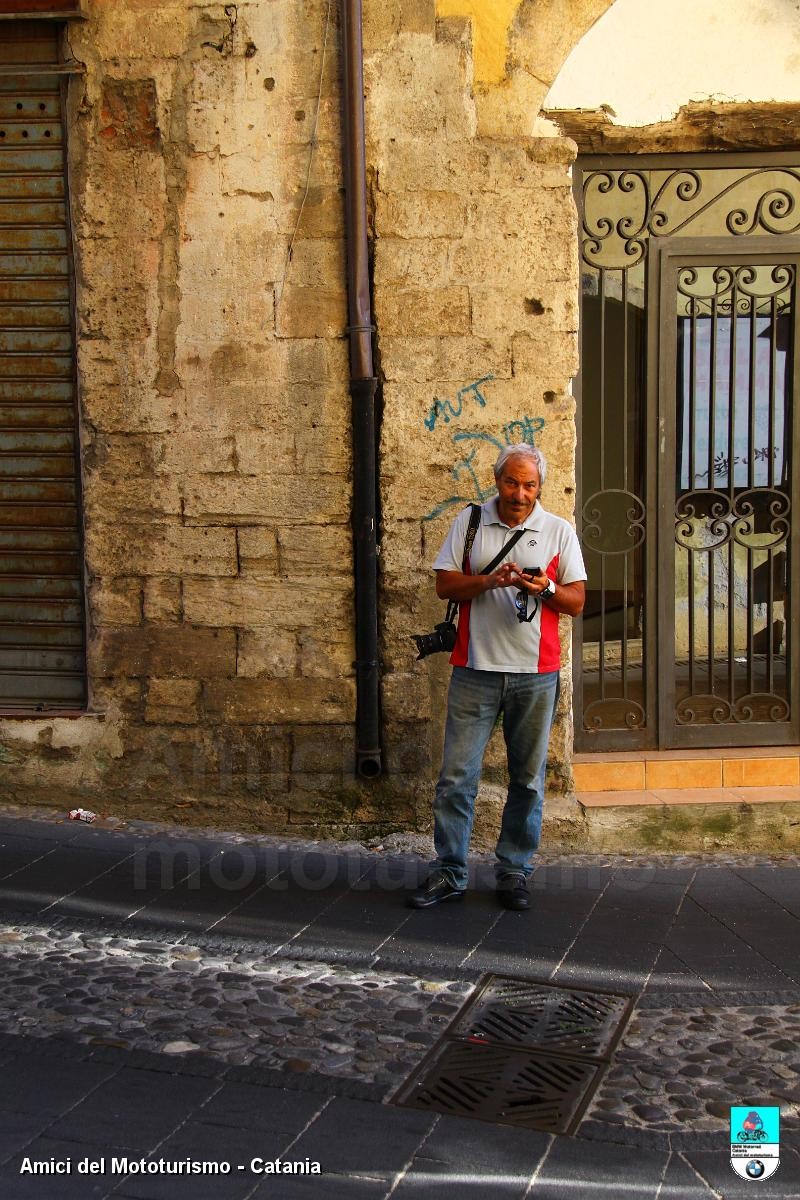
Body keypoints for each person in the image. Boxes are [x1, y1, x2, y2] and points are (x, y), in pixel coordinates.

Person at [409, 443, 586, 911]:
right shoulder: (469, 523)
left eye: (529, 485)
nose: (520, 493)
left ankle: (514, 871)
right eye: (512, 482)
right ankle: (449, 872)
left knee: (527, 780)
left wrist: (543, 586)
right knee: (455, 778)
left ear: (540, 487)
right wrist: (491, 581)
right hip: (474, 669)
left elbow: (576, 601)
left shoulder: (558, 531)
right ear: (497, 480)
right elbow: (445, 583)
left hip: (535, 674)